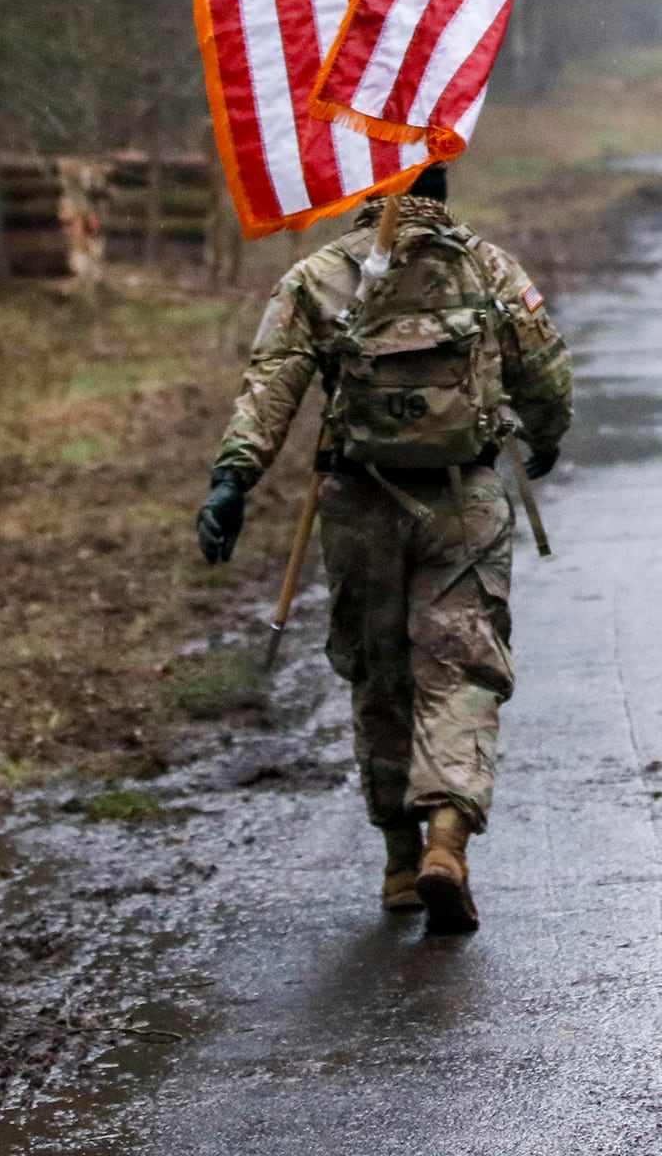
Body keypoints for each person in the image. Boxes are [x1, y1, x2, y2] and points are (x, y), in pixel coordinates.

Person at [195, 162, 571, 937]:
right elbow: (545, 370)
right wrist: (546, 434)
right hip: (461, 500)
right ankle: (447, 838)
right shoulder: (488, 267)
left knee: (380, 673)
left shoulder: (321, 277)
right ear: (443, 184)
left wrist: (233, 478)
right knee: (462, 668)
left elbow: (272, 383)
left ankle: (400, 861)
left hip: (359, 502)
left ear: (362, 189)